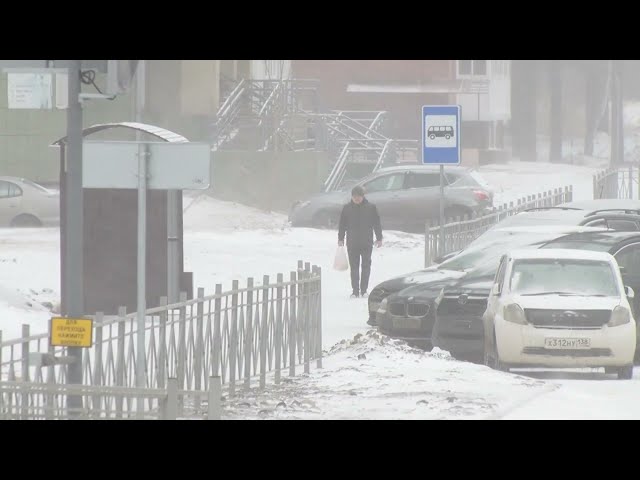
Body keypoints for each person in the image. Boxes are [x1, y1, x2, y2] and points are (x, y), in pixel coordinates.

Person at [338, 185, 383, 298]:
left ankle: (364, 290)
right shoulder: (347, 208)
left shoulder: (371, 208)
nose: (357, 198)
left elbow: (376, 223)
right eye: (354, 196)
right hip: (352, 242)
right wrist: (340, 238)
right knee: (354, 267)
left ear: (363, 196)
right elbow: (342, 225)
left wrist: (379, 238)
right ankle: (355, 291)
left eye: (359, 196)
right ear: (352, 197)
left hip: (366, 242)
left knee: (366, 266)